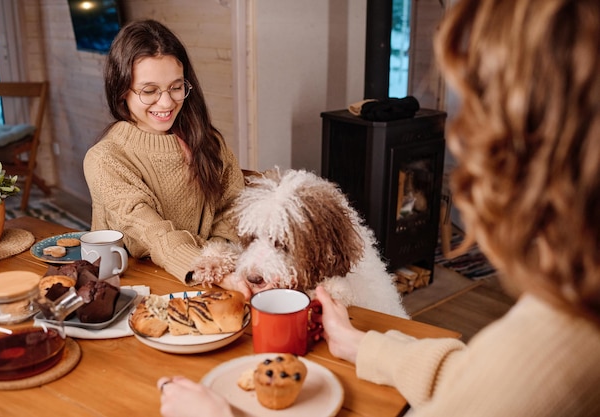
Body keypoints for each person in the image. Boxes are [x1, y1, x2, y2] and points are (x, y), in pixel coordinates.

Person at [158, 0, 600, 415]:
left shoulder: (559, 348)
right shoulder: (563, 317)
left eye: (484, 112)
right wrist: (362, 346)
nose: (465, 144)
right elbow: (480, 377)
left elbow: (502, 387)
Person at [83, 20, 245, 283]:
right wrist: (206, 263)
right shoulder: (104, 159)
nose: (167, 102)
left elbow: (232, 208)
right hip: (132, 286)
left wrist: (217, 258)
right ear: (121, 90)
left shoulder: (208, 141)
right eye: (149, 91)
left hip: (207, 276)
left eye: (176, 87)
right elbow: (153, 235)